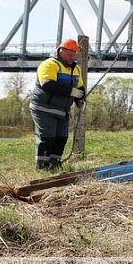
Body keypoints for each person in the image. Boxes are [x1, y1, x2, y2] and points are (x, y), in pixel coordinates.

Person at [29, 38, 86, 170]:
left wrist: (80, 100)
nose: (72, 58)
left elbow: (80, 88)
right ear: (61, 51)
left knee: (61, 138)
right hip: (43, 107)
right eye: (69, 55)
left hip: (62, 110)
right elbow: (48, 85)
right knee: (47, 137)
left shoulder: (76, 69)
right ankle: (42, 167)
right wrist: (72, 92)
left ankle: (54, 165)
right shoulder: (49, 64)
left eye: (74, 55)